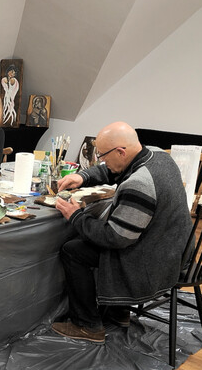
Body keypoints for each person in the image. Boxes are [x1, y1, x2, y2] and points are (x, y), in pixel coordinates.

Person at [51, 122, 192, 343]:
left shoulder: (140, 184)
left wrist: (76, 216)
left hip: (155, 262)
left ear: (120, 152)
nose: (101, 160)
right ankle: (118, 312)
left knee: (73, 251)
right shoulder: (158, 156)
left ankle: (87, 325)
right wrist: (83, 177)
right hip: (176, 249)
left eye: (102, 155)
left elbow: (115, 238)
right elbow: (114, 169)